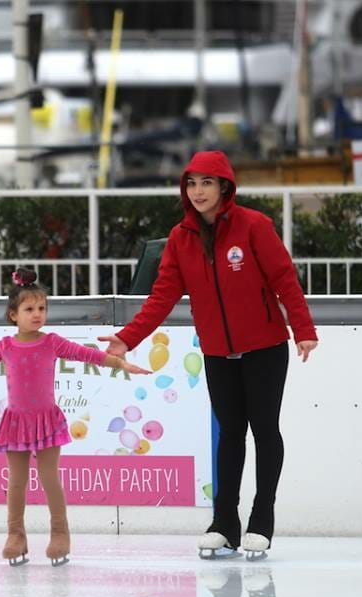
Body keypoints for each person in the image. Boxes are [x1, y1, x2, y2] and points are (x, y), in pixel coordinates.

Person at [99, 150, 318, 559]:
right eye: (191, 183)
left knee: (264, 430)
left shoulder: (254, 226)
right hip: (218, 351)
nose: (198, 191)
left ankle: (262, 521)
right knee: (229, 434)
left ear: (224, 187)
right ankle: (224, 523)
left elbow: (284, 278)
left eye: (207, 183)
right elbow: (161, 297)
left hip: (265, 348)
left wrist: (302, 329)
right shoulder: (181, 238)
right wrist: (128, 338)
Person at [0, 268, 151, 566]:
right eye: (29, 309)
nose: (37, 314)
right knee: (17, 482)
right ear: (13, 315)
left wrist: (120, 364)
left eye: (42, 308)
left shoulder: (52, 342)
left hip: (46, 420)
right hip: (17, 423)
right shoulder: (5, 347)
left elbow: (87, 355)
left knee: (49, 478)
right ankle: (15, 536)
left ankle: (60, 533)